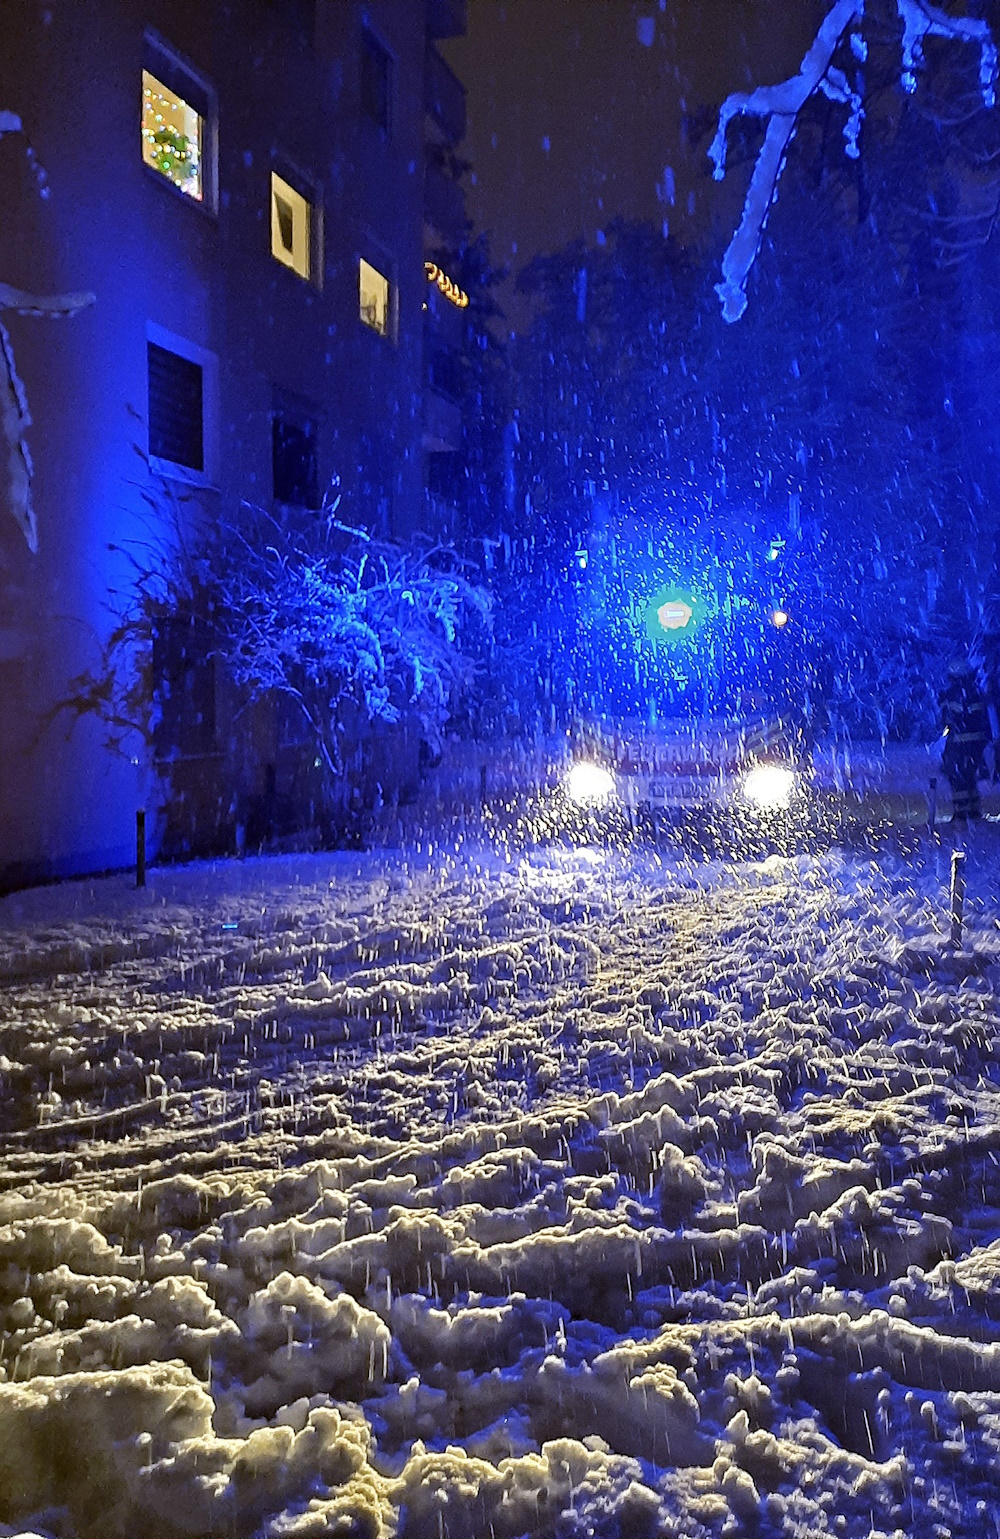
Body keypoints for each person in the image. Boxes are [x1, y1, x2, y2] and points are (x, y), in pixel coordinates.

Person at [940, 658, 991, 822]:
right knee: (969, 776)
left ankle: (961, 812)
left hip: (959, 742)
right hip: (977, 743)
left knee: (956, 776)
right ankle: (974, 811)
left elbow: (947, 720)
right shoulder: (976, 691)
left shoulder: (952, 694)